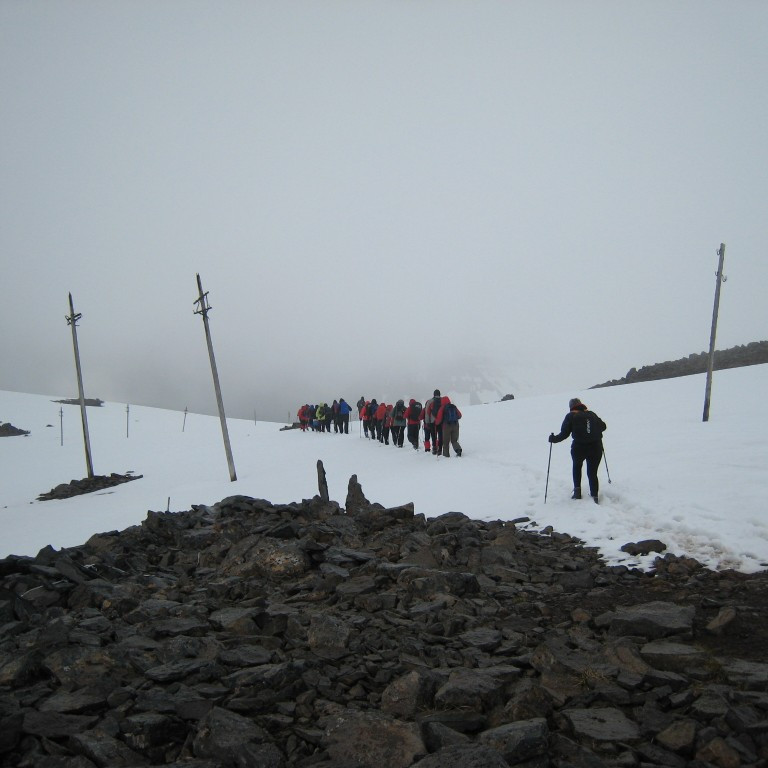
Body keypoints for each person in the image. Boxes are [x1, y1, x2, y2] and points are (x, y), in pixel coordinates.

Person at [548, 398, 607, 503]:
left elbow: (564, 434)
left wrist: (553, 439)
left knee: (577, 466)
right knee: (592, 472)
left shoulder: (571, 416)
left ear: (571, 407)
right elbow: (603, 427)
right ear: (581, 405)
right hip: (596, 447)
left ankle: (577, 492)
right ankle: (594, 496)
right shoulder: (592, 414)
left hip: (579, 447)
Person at [424, 390, 442, 455]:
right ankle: (440, 449)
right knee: (440, 435)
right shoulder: (442, 400)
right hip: (441, 421)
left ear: (433, 394)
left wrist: (427, 422)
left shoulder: (430, 401)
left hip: (433, 421)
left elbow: (427, 413)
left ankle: (434, 448)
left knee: (434, 435)